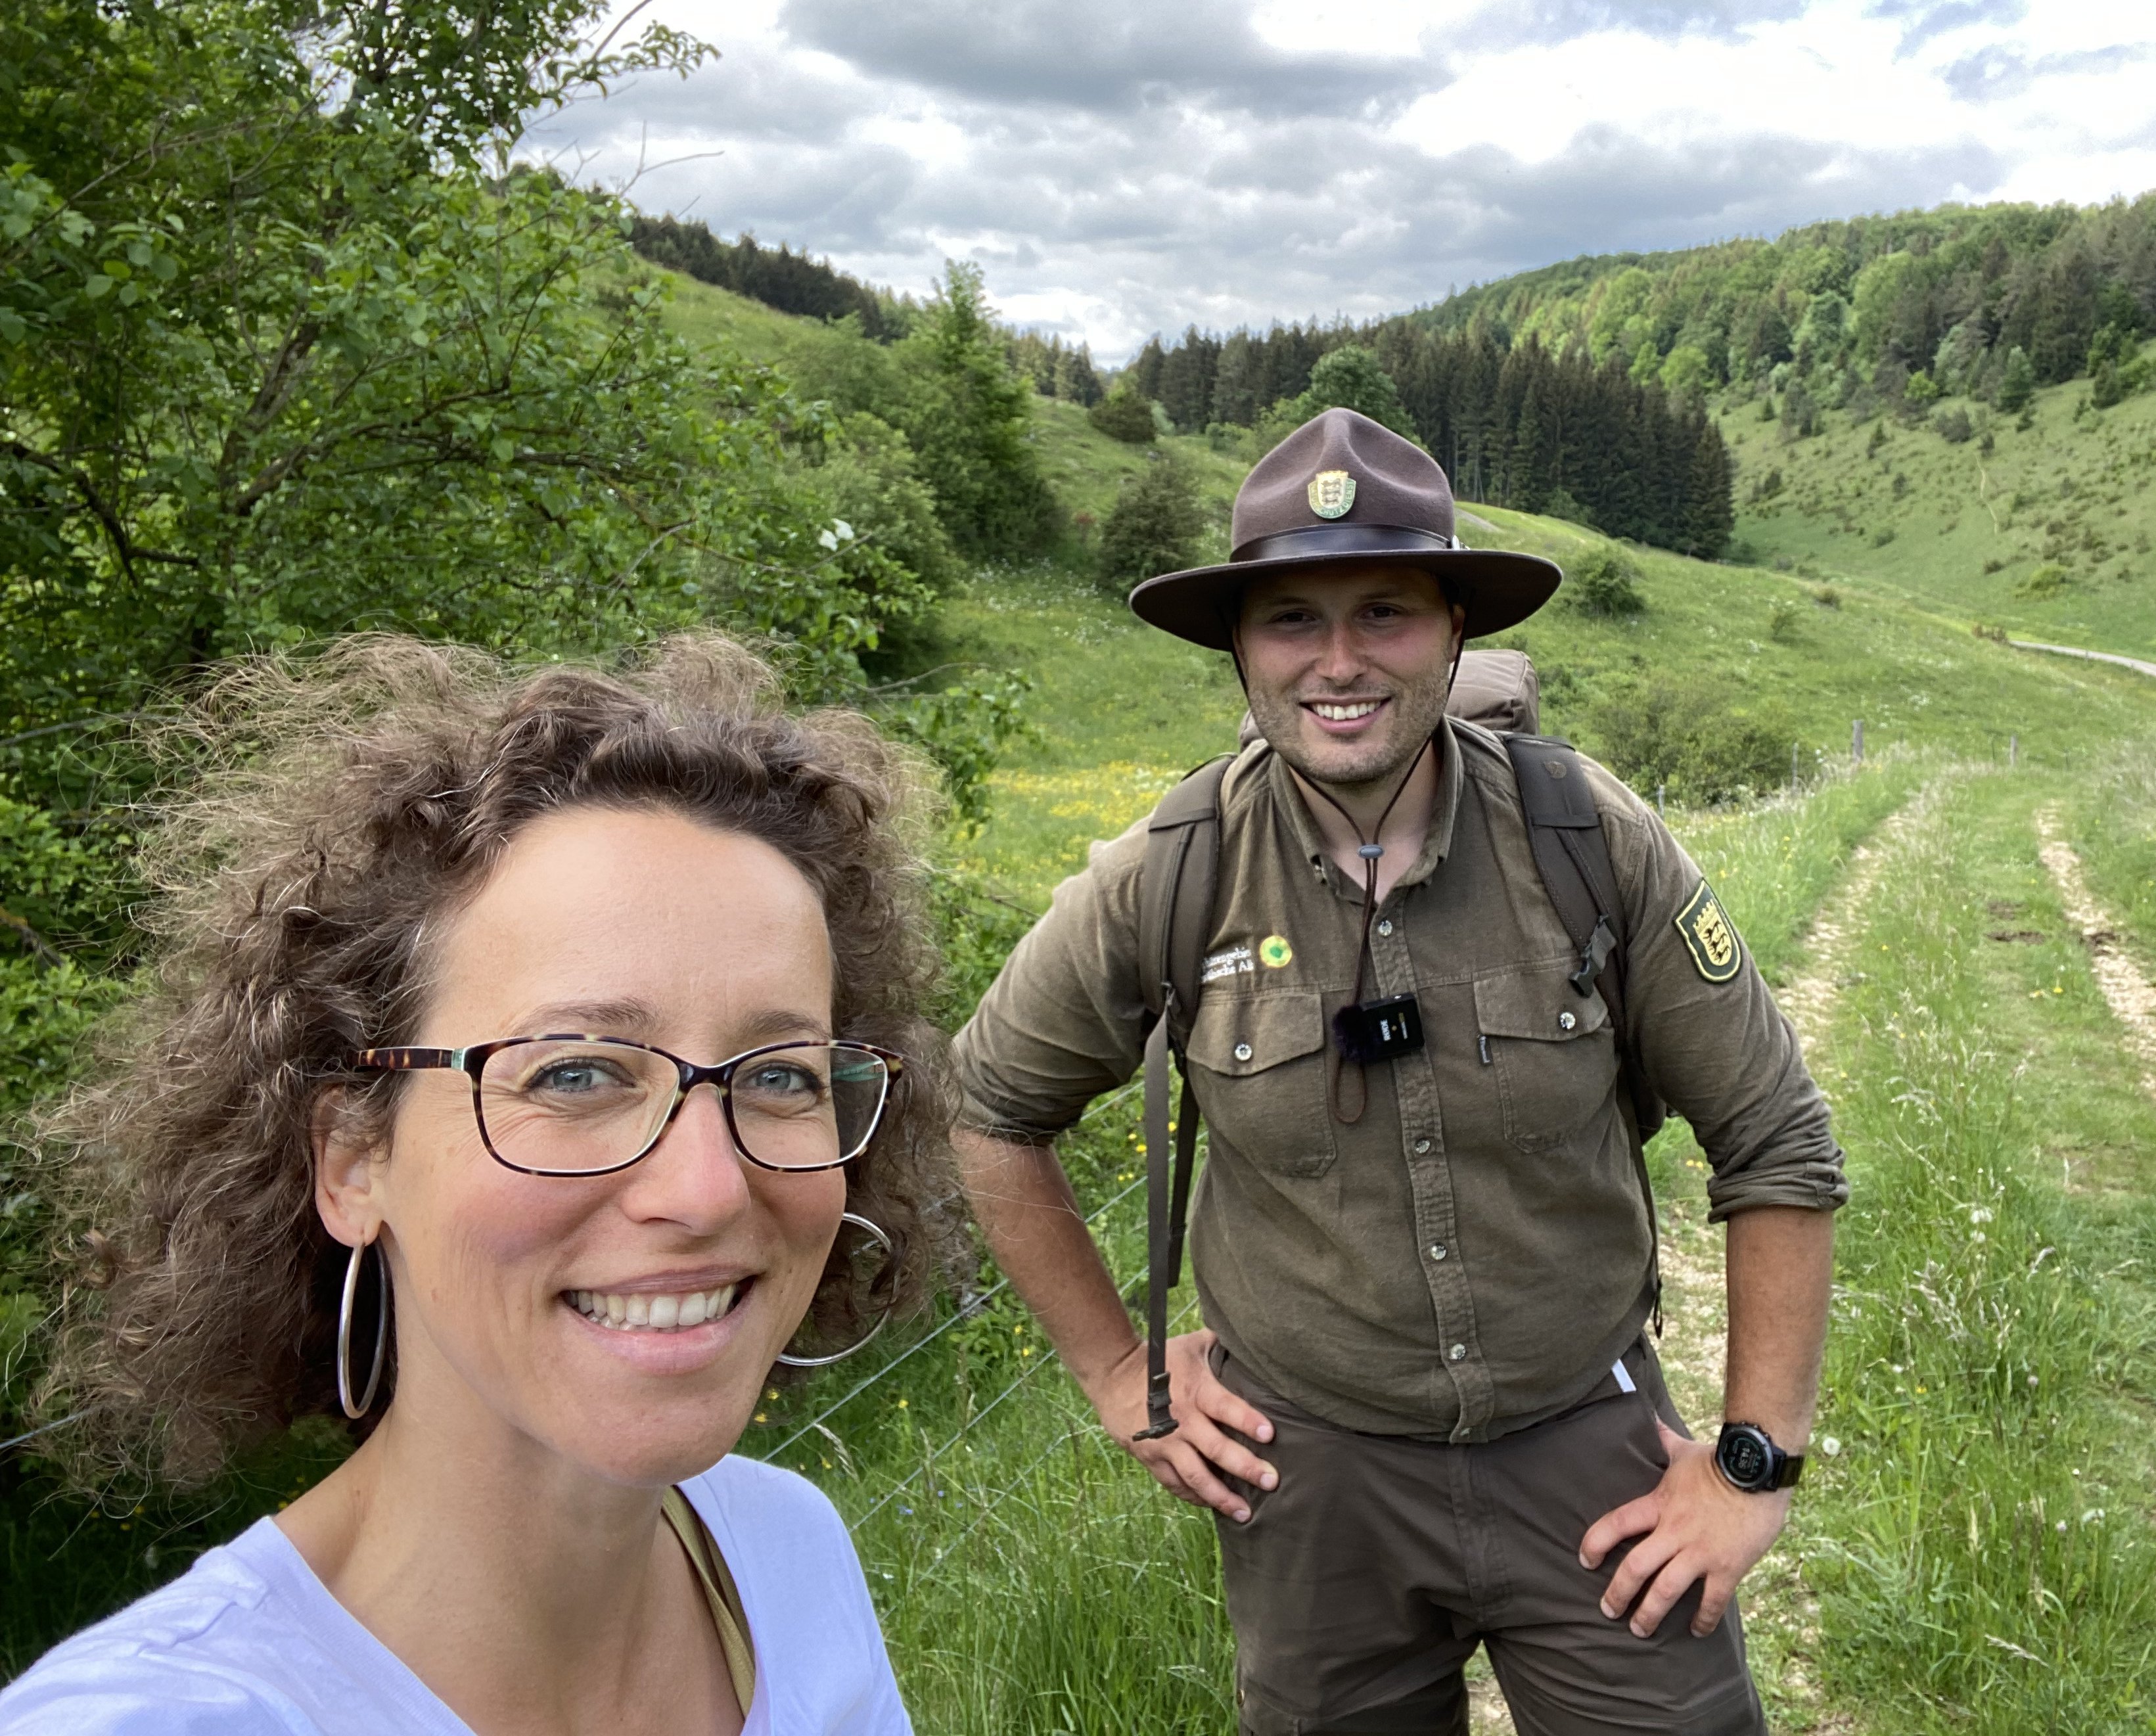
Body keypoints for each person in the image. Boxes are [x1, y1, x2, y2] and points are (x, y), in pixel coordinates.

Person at [951, 409, 1847, 1734]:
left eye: (1385, 612)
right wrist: (1114, 1372)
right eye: (1291, 620)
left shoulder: (1587, 836)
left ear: (1454, 632)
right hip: (1307, 1487)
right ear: (1240, 653)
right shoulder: (1167, 875)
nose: (1338, 660)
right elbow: (988, 1106)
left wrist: (1752, 1467)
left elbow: (1774, 1138)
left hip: (1588, 1446)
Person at [0, 637, 943, 1735]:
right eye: (577, 1072)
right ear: (354, 1160)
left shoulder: (788, 1552)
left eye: (780, 1074)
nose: (709, 1187)